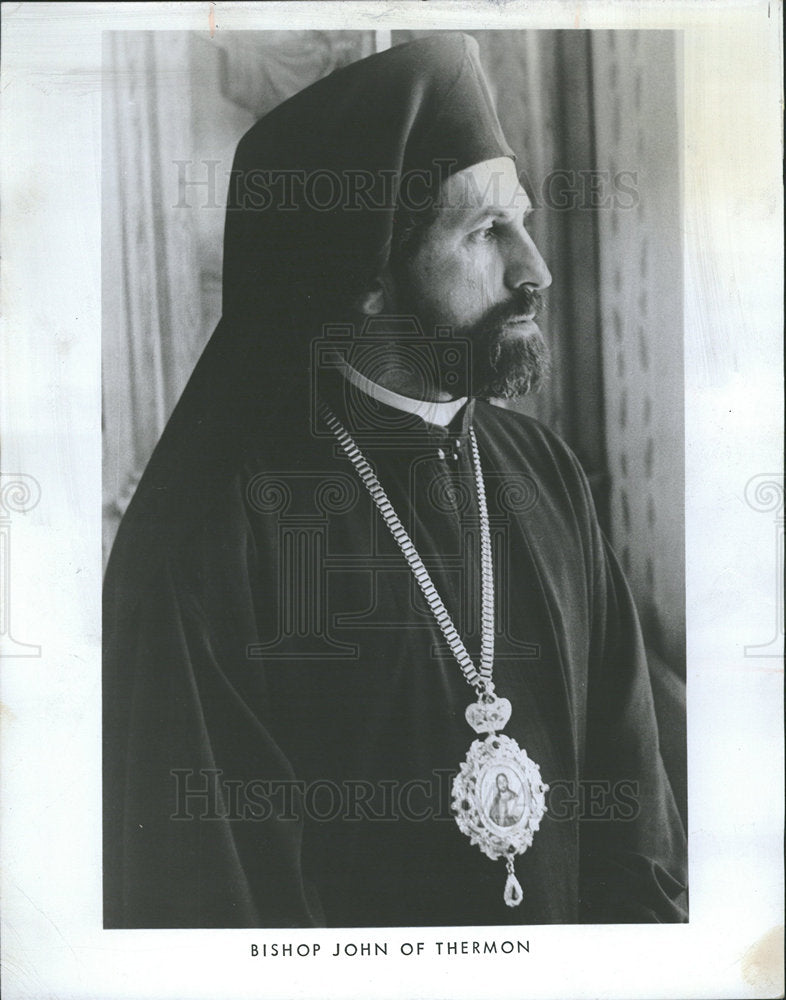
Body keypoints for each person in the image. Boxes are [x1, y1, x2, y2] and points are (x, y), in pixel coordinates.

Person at [103, 33, 687, 928]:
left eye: (523, 222)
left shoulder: (548, 475)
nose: (536, 270)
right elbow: (221, 908)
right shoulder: (220, 533)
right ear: (367, 275)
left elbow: (636, 827)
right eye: (488, 232)